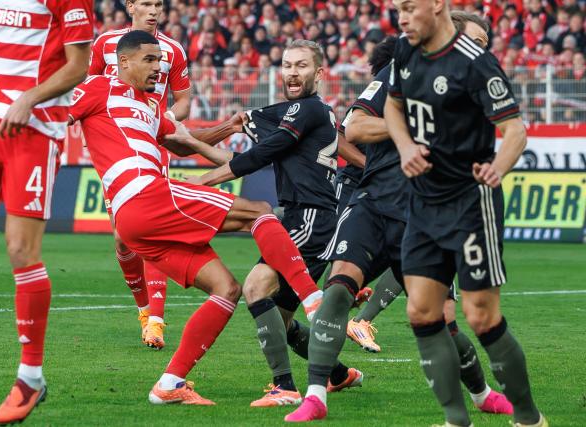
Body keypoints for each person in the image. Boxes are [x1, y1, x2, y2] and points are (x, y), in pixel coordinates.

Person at [70, 30, 323, 405]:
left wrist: (230, 149)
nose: (160, 68)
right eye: (150, 60)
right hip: (144, 193)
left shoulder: (152, 107)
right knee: (259, 212)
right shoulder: (95, 88)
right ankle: (313, 298)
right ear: (123, 62)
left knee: (226, 289)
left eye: (161, 60)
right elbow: (52, 116)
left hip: (136, 222)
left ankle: (170, 384)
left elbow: (185, 140)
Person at [166, 40, 365, 408]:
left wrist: (206, 180)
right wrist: (199, 150)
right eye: (287, 65)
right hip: (305, 216)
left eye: (302, 65)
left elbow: (262, 154)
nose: (292, 72)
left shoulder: (306, 110)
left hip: (310, 217)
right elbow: (242, 155)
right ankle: (338, 374)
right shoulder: (298, 113)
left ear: (319, 74)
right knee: (282, 321)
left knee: (255, 287)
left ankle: (284, 387)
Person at [384, 0, 546, 425]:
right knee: (421, 311)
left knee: (479, 315)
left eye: (408, 7)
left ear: (437, 5)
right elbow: (392, 106)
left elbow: (515, 130)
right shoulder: (404, 51)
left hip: (470, 203)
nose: (400, 17)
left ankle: (529, 418)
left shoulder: (476, 63)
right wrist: (404, 147)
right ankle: (457, 421)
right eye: (396, 8)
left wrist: (498, 167)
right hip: (422, 202)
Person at [0, 1, 93, 424]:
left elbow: (79, 64)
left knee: (19, 250)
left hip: (33, 131)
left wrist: (28, 98)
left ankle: (30, 377)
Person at [346, 9, 494, 355]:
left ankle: (477, 393)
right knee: (341, 282)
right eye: (474, 41)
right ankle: (318, 376)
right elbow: (350, 129)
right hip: (384, 197)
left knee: (444, 314)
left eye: (484, 46)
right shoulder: (403, 69)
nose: (479, 51)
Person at [88, 0, 191, 350]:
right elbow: (90, 88)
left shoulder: (174, 50)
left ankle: (156, 321)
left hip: (152, 148)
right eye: (146, 3)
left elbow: (185, 100)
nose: (153, 10)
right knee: (122, 238)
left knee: (150, 232)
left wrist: (163, 123)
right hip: (117, 149)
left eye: (158, 5)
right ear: (130, 5)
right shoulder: (106, 44)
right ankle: (145, 311)